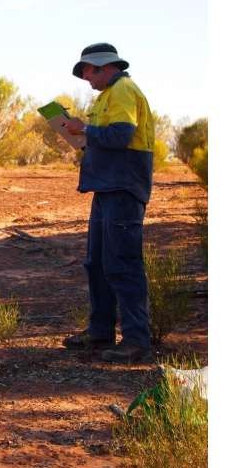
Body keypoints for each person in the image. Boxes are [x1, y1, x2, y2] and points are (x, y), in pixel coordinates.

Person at [61, 43, 155, 363]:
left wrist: (85, 129)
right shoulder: (105, 97)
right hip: (106, 188)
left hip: (123, 189)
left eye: (87, 71)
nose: (85, 77)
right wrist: (82, 136)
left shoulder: (124, 90)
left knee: (122, 265)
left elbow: (121, 136)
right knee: (98, 264)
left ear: (104, 67)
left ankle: (136, 342)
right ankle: (100, 333)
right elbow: (106, 139)